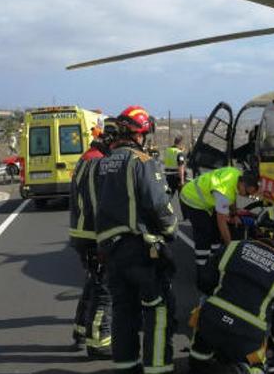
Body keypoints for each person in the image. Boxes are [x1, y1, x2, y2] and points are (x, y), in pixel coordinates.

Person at [96, 106, 178, 374]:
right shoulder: (141, 161)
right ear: (139, 133)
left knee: (123, 313)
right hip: (139, 250)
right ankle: (157, 368)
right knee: (158, 309)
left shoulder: (103, 163)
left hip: (111, 251)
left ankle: (126, 368)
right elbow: (157, 204)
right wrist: (171, 230)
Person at [189, 208, 274, 374]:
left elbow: (204, 281)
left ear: (256, 229)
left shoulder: (233, 247)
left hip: (212, 323)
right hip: (247, 336)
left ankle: (199, 361)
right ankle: (250, 368)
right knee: (256, 365)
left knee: (201, 345)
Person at [69, 128, 113, 358]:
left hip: (81, 233)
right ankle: (99, 343)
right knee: (104, 290)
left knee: (92, 283)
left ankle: (80, 329)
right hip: (92, 235)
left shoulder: (87, 158)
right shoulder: (98, 163)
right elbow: (99, 205)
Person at [179, 167, 260, 272]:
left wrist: (234, 213)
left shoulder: (235, 174)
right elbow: (222, 222)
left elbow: (233, 195)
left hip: (204, 197)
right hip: (191, 199)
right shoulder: (224, 193)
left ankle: (214, 258)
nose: (247, 196)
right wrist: (230, 248)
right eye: (247, 193)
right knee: (205, 233)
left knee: (216, 232)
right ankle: (202, 267)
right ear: (242, 183)